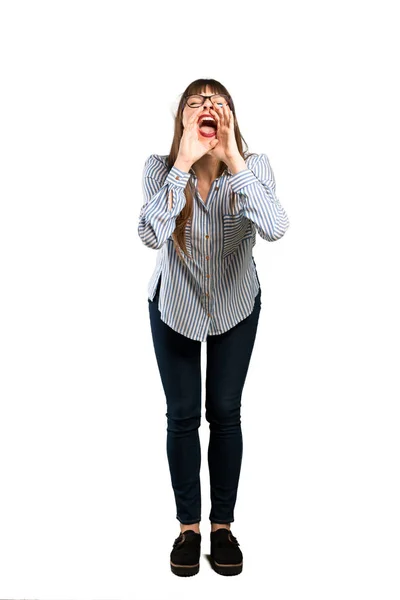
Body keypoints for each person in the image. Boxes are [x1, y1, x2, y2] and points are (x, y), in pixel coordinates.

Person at [138, 79, 290, 576]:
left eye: (217, 101)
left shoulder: (255, 168)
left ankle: (221, 527)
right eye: (196, 102)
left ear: (230, 117)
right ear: (182, 120)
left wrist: (234, 160)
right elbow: (148, 233)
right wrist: (182, 163)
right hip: (177, 307)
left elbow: (276, 227)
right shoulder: (159, 171)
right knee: (182, 414)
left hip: (233, 306)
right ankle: (189, 529)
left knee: (224, 411)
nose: (207, 106)